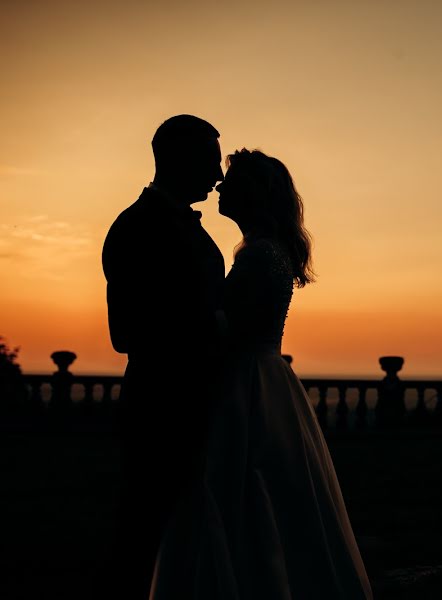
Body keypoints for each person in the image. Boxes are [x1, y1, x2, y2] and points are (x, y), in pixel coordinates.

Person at [149, 149, 373, 599]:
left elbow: (231, 329)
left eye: (229, 181)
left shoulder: (260, 256)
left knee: (241, 487)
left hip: (245, 383)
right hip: (260, 379)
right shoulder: (261, 250)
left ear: (252, 193)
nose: (218, 186)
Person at [101, 115, 226, 599]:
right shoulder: (137, 227)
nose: (218, 176)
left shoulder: (177, 226)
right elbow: (126, 331)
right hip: (161, 407)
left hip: (195, 404)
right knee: (142, 536)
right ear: (180, 159)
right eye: (211, 161)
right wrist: (216, 329)